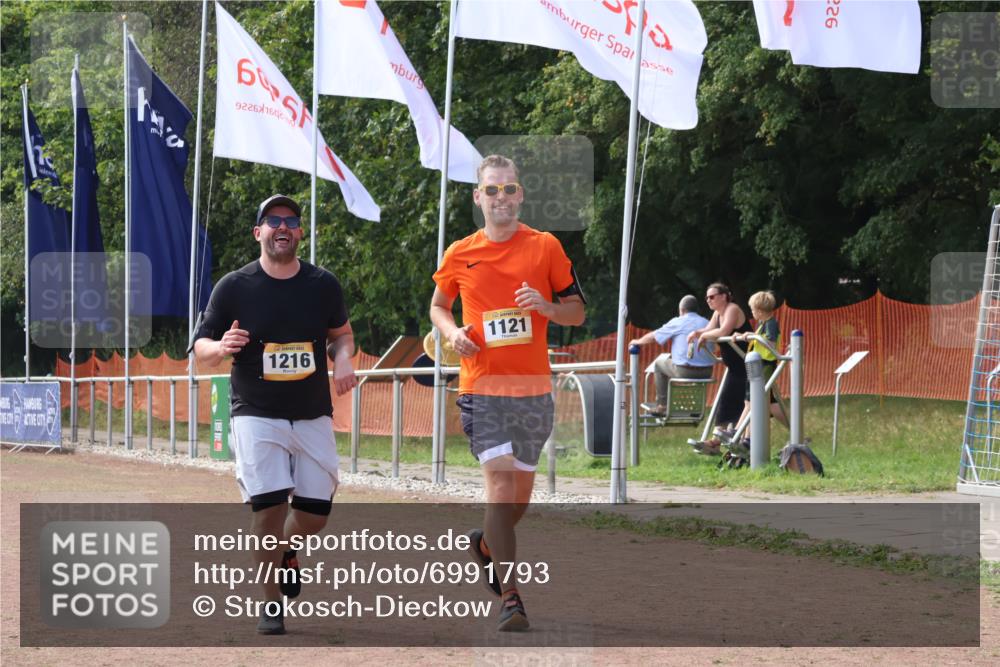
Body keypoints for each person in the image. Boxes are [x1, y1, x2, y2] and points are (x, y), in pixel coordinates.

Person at [430, 155, 585, 631]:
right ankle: (511, 598)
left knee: (518, 501)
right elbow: (438, 306)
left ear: (520, 195)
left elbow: (577, 312)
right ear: (478, 197)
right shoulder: (460, 252)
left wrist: (547, 307)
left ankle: (485, 546)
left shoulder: (545, 247)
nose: (501, 198)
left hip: (533, 390)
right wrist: (453, 334)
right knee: (498, 489)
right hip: (483, 388)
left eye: (509, 189)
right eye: (491, 190)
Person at [193, 194, 358, 635]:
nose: (282, 227)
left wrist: (343, 358)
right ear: (258, 232)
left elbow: (342, 335)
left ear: (300, 232)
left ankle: (288, 547)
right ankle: (270, 604)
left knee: (315, 514)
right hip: (255, 411)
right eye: (272, 221)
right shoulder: (234, 286)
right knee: (267, 509)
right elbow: (200, 348)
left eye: (290, 221)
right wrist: (220, 348)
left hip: (311, 413)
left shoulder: (322, 284)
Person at [688, 282, 750, 455]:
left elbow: (723, 331)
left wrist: (704, 335)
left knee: (748, 405)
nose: (709, 300)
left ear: (724, 296)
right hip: (734, 367)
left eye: (712, 296)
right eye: (707, 297)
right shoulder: (717, 313)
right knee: (724, 403)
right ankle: (716, 442)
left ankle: (742, 443)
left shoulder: (732, 309)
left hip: (747, 364)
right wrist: (696, 333)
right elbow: (708, 329)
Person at [629, 295, 715, 416]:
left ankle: (662, 405)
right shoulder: (707, 322)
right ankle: (695, 406)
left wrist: (637, 341)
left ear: (682, 310)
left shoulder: (679, 321)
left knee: (659, 364)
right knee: (672, 361)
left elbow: (654, 336)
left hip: (686, 371)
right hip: (707, 371)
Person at [729, 290, 789, 453]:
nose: (752, 313)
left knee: (756, 402)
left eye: (753, 310)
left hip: (765, 365)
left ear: (760, 311)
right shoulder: (762, 324)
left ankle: (745, 436)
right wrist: (746, 335)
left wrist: (751, 336)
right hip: (756, 364)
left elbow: (768, 341)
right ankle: (738, 433)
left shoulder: (770, 324)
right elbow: (757, 338)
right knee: (750, 402)